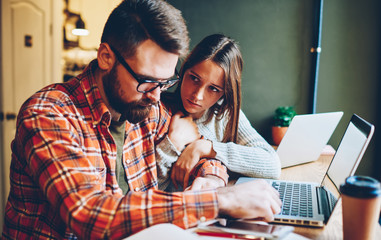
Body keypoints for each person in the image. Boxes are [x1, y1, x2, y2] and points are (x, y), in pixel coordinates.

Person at [2, 1, 281, 239]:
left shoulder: (147, 105)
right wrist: (219, 199)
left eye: (166, 82)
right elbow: (89, 215)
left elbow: (207, 160)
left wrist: (207, 177)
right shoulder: (49, 114)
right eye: (147, 81)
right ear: (106, 57)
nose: (158, 96)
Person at [156, 34, 281, 191]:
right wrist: (172, 144)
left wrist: (205, 147)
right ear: (184, 70)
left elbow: (272, 164)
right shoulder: (158, 111)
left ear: (224, 93)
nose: (198, 95)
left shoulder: (224, 114)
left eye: (213, 89)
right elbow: (145, 190)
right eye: (194, 78)